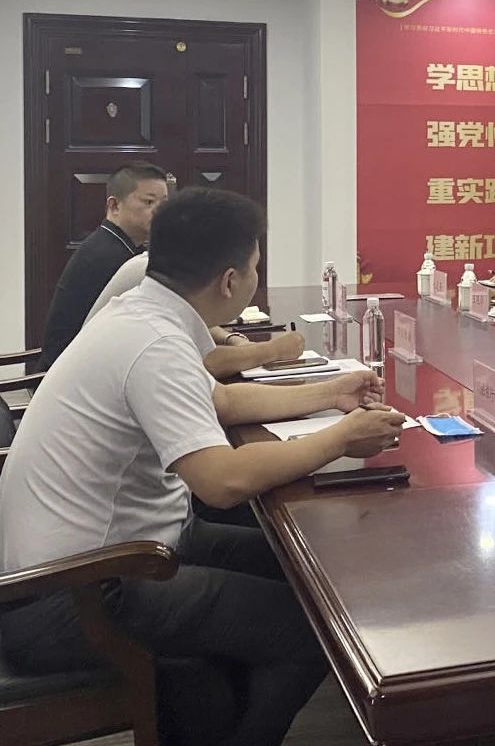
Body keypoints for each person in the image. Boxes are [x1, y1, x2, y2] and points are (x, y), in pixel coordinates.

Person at [0, 187, 407, 746]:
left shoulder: (143, 314)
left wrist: (331, 393)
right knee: (308, 630)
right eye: (256, 266)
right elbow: (223, 480)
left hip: (125, 549)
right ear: (230, 281)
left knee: (307, 573)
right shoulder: (154, 344)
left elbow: (223, 402)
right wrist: (341, 438)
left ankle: (214, 714)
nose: (257, 277)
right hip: (75, 591)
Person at [86, 251, 307, 379]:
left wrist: (230, 338)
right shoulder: (149, 276)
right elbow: (208, 363)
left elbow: (222, 399)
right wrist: (274, 350)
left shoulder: (163, 279)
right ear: (229, 280)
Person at [39, 162, 168, 368]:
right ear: (114, 206)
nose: (160, 212)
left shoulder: (117, 244)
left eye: (164, 203)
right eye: (149, 202)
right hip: (71, 371)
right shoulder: (109, 255)